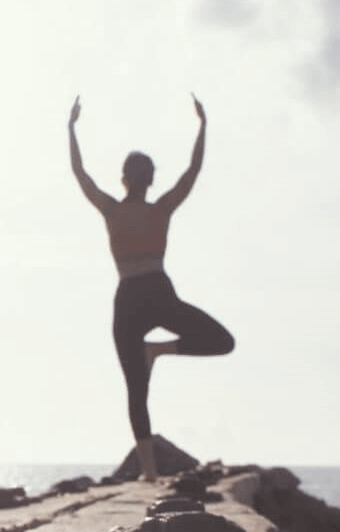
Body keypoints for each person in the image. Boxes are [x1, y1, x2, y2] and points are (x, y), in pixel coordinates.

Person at [68, 93, 234, 483]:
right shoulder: (160, 210)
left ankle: (149, 472)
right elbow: (192, 172)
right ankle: (159, 350)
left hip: (128, 298)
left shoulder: (112, 209)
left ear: (124, 178)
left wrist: (70, 129)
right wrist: (203, 127)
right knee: (222, 340)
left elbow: (80, 174)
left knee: (135, 388)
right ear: (151, 179)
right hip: (158, 293)